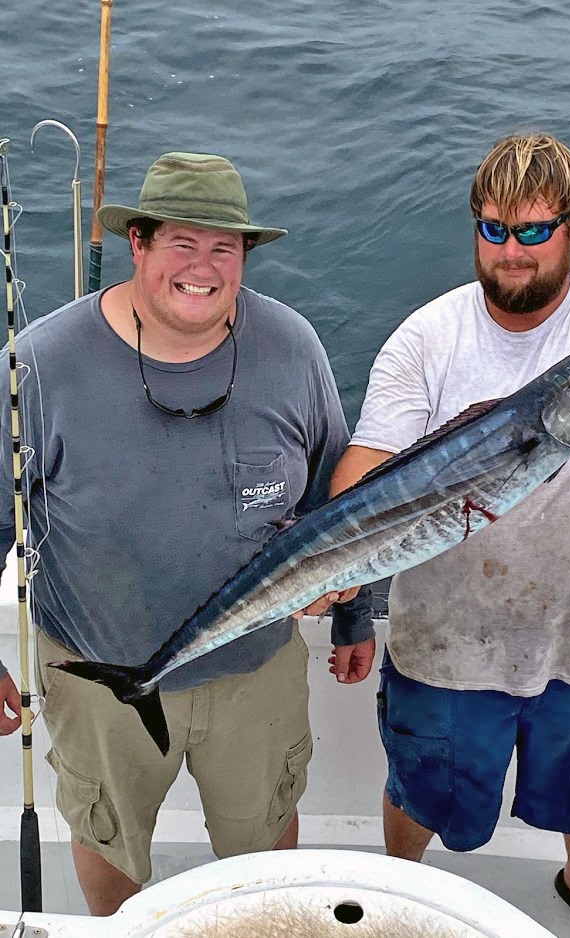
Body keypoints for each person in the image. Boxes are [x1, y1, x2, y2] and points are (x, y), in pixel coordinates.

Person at [328, 133, 570, 938]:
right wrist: (337, 553)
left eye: (534, 231)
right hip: (447, 640)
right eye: (494, 228)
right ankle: (402, 889)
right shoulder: (427, 336)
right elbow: (372, 455)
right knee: (424, 785)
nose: (511, 250)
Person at [0, 151, 375, 915]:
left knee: (266, 831)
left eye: (223, 248)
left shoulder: (293, 346)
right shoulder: (39, 364)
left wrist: (354, 611)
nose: (202, 268)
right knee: (108, 836)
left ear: (244, 257)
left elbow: (339, 502)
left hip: (255, 668)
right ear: (136, 243)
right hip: (96, 669)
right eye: (181, 242)